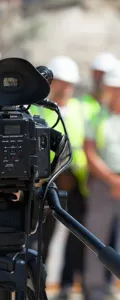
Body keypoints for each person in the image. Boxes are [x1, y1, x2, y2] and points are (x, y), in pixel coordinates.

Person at [35, 56, 88, 298]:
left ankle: (67, 283)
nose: (65, 87)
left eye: (69, 83)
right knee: (41, 238)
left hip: (76, 183)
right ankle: (36, 283)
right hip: (46, 183)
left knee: (77, 238)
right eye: (60, 82)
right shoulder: (37, 110)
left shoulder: (81, 110)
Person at [83, 61, 120, 300]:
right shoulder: (95, 117)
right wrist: (112, 180)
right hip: (102, 185)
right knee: (95, 239)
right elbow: (90, 151)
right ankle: (94, 290)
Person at [82, 52, 116, 121]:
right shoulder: (79, 105)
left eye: (102, 74)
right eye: (96, 73)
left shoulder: (115, 109)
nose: (98, 78)